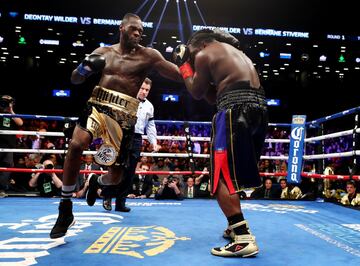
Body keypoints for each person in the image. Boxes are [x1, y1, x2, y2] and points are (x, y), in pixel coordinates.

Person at [50, 13, 182, 239]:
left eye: (141, 31)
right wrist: (84, 68)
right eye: (134, 29)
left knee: (116, 177)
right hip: (97, 106)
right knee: (75, 146)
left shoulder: (149, 56)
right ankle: (65, 209)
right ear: (122, 28)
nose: (138, 33)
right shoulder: (103, 53)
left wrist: (188, 63)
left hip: (124, 116)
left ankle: (96, 181)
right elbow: (75, 79)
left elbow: (178, 75)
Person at [173, 29, 268, 257]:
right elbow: (211, 96)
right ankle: (233, 226)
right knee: (237, 174)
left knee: (221, 176)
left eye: (193, 54)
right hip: (260, 110)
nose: (195, 60)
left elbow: (196, 91)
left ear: (200, 45)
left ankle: (243, 238)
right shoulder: (235, 54)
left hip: (234, 111)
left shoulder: (205, 53)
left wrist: (184, 65)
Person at [101, 77, 161, 211]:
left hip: (137, 138)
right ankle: (107, 196)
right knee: (117, 168)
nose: (144, 92)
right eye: (142, 89)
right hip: (122, 135)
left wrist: (154, 142)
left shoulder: (149, 106)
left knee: (130, 172)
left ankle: (121, 203)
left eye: (147, 90)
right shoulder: (125, 99)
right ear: (137, 87)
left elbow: (150, 126)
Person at [0, 95, 23, 197]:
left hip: (8, 145)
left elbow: (20, 123)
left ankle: (1, 189)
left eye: (8, 102)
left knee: (7, 167)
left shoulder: (11, 114)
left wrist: (11, 110)